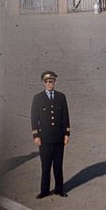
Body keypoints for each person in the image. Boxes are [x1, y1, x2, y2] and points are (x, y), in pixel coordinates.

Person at [31, 71, 70, 199]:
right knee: (46, 167)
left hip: (58, 138)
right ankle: (44, 191)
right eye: (47, 82)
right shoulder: (38, 98)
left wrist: (66, 134)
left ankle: (59, 190)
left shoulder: (61, 97)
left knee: (58, 167)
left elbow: (65, 116)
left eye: (51, 82)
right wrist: (36, 135)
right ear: (44, 83)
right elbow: (34, 118)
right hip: (45, 139)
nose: (49, 84)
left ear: (55, 82)